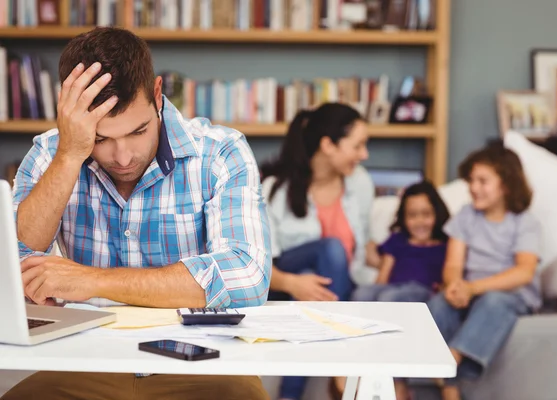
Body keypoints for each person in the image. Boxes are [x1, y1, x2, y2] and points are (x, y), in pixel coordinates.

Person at [3, 27, 271, 400]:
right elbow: (12, 266)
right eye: (100, 139)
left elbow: (247, 275)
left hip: (204, 364)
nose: (123, 157)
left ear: (158, 94)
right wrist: (70, 153)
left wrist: (94, 282)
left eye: (138, 130)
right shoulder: (51, 154)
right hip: (87, 361)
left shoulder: (220, 152)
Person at [260, 103, 373, 400]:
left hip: (337, 287)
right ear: (328, 145)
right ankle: (341, 368)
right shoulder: (275, 190)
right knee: (329, 251)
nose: (365, 155)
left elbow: (364, 248)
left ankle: (289, 395)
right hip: (287, 282)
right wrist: (293, 283)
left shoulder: (360, 184)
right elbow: (255, 264)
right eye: (358, 146)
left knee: (349, 288)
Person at [427, 145, 541, 400]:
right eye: (471, 180)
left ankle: (449, 360)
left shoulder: (525, 222)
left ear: (507, 185)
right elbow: (453, 264)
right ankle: (450, 389)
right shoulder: (467, 216)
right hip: (471, 292)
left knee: (493, 301)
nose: (474, 187)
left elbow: (524, 272)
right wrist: (455, 285)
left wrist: (474, 288)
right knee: (438, 303)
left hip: (510, 296)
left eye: (483, 181)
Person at [351, 181, 449, 400]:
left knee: (389, 299)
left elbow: (447, 279)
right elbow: (382, 278)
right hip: (393, 291)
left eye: (426, 214)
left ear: (437, 214)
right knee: (363, 294)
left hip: (421, 294)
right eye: (412, 215)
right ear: (404, 218)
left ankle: (398, 382)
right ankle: (358, 362)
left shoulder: (445, 245)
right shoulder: (398, 241)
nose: (419, 221)